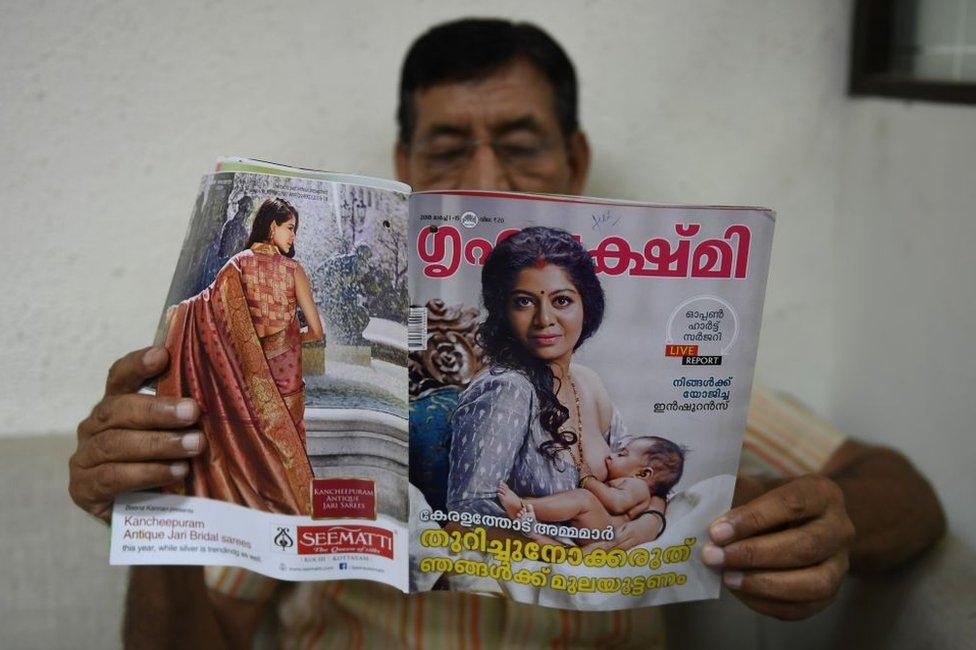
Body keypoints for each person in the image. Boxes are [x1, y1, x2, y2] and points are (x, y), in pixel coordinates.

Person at [69, 18, 946, 648]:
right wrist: (164, 513)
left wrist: (834, 525)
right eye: (449, 146)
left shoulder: (651, 387)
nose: (485, 175)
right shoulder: (316, 394)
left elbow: (904, 497)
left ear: (577, 158)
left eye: (520, 143)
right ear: (407, 166)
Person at [446, 225, 668, 549]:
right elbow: (466, 518)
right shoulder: (507, 390)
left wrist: (652, 520)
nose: (544, 319)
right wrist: (559, 555)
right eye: (523, 302)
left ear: (585, 306)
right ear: (503, 313)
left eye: (562, 300)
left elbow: (649, 476)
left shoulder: (587, 382)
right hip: (545, 572)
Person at [159, 196, 324, 515]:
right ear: (272, 226)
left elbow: (206, 313)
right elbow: (316, 332)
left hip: (241, 378)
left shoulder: (236, 266)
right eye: (290, 228)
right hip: (286, 381)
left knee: (243, 450)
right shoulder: (293, 271)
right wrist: (287, 339)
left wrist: (179, 314)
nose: (293, 236)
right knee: (288, 453)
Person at [497, 435, 684, 541]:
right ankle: (529, 513)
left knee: (584, 498)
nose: (611, 456)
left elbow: (616, 503)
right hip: (597, 530)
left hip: (605, 531)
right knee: (581, 500)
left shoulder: (638, 487)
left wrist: (588, 479)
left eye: (622, 454)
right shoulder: (634, 484)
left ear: (643, 474)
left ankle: (523, 506)